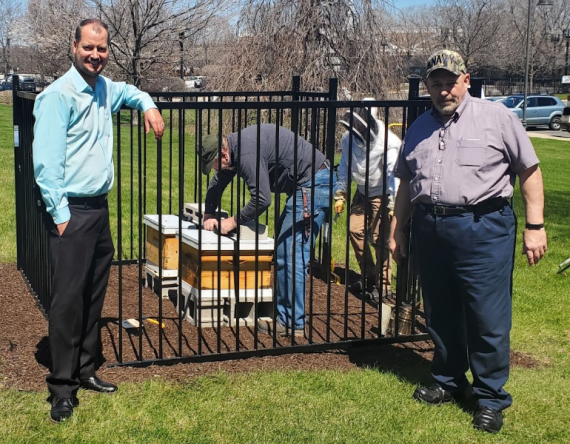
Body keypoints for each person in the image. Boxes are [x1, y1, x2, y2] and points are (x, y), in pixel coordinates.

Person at [389, 49, 547, 434]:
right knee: (440, 312)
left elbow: (529, 170)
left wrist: (535, 225)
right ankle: (448, 381)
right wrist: (396, 230)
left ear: (467, 80)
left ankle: (490, 398)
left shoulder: (497, 118)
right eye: (436, 84)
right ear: (427, 87)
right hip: (431, 227)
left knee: (486, 316)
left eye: (450, 82)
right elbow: (408, 184)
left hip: (484, 228)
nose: (444, 90)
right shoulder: (417, 128)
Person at [33, 18, 164, 423]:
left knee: (93, 294)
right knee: (67, 301)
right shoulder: (59, 95)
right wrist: (60, 217)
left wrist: (149, 104)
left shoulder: (106, 88)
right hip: (70, 211)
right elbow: (46, 164)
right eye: (89, 47)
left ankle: (87, 369)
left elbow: (131, 90)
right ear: (74, 47)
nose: (95, 55)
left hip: (98, 208)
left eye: (102, 49)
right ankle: (61, 387)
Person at [198, 124, 334, 337]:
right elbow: (218, 182)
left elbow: (262, 199)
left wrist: (233, 222)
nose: (214, 169)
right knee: (285, 249)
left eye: (214, 164)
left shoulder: (245, 153)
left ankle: (291, 323)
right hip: (305, 184)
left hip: (314, 184)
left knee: (290, 253)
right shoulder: (232, 150)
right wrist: (208, 213)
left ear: (223, 154)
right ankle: (286, 313)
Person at [333, 104, 400, 301]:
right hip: (362, 192)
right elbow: (345, 165)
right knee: (355, 230)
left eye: (358, 123)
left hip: (382, 194)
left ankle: (384, 286)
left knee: (381, 240)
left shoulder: (388, 142)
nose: (354, 127)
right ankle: (369, 275)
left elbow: (392, 173)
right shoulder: (348, 139)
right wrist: (340, 192)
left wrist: (392, 201)